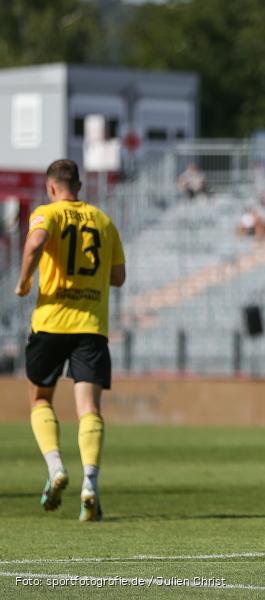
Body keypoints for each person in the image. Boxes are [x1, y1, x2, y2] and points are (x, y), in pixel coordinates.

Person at [14, 159, 126, 522]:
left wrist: (24, 281)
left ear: (51, 187)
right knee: (89, 410)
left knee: (40, 399)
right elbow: (119, 276)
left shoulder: (47, 213)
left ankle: (55, 467)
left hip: (50, 324)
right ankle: (90, 484)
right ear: (79, 185)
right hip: (91, 327)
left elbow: (35, 243)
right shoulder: (104, 221)